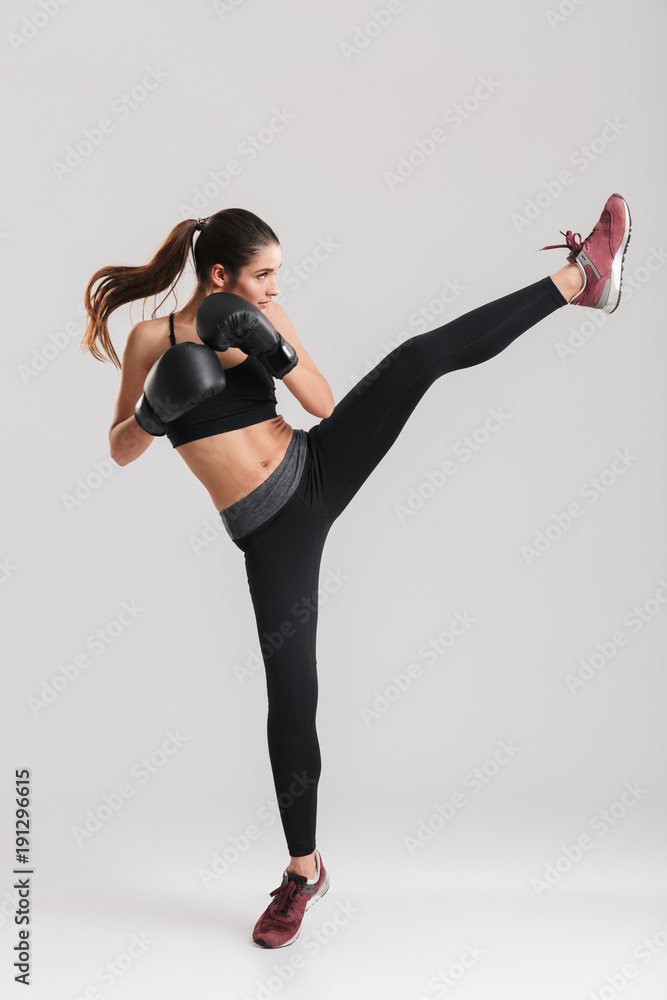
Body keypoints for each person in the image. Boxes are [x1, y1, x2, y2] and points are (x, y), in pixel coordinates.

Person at [81, 195, 632, 948]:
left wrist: (271, 347)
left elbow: (320, 400)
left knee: (414, 359)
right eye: (264, 276)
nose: (276, 288)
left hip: (314, 469)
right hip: (267, 534)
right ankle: (304, 873)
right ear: (220, 275)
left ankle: (580, 279)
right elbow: (116, 448)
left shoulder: (267, 317)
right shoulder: (152, 338)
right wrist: (151, 414)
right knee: (291, 697)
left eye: (277, 276)